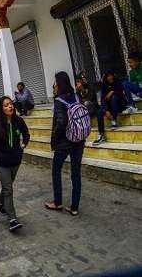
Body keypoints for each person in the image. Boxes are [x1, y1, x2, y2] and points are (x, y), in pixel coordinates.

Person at [45, 72, 86, 216]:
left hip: (64, 142)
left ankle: (57, 202)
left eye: (55, 83)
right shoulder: (77, 96)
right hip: (79, 140)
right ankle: (74, 207)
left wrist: (54, 139)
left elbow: (61, 123)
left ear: (59, 84)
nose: (54, 86)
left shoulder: (59, 101)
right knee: (76, 173)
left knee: (56, 170)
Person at [0, 96, 30, 232]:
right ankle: (12, 219)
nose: (10, 107)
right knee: (8, 189)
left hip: (15, 160)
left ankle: (1, 202)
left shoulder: (19, 121)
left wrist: (23, 146)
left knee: (7, 186)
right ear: (1, 108)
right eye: (6, 105)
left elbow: (26, 134)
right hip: (1, 163)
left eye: (11, 104)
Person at [94, 71, 127, 144]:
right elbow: (103, 99)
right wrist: (105, 110)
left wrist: (112, 92)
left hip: (120, 105)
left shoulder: (117, 82)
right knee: (99, 112)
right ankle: (101, 135)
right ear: (106, 78)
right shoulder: (105, 85)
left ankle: (114, 120)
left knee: (114, 98)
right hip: (109, 106)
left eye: (111, 75)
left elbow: (122, 94)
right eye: (108, 76)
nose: (110, 77)